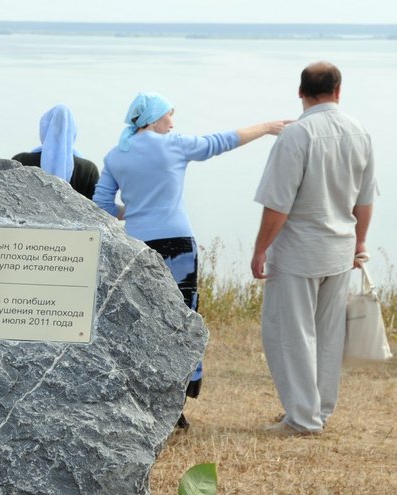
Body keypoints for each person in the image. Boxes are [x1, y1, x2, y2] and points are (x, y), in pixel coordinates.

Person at [93, 91, 287, 429]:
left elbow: (103, 206)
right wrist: (268, 126)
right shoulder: (174, 145)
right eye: (169, 115)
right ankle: (176, 406)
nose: (173, 122)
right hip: (178, 245)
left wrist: (134, 211)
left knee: (145, 324)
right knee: (181, 323)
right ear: (154, 120)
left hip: (137, 247)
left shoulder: (115, 156)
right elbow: (221, 141)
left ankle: (145, 403)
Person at [252, 61, 377, 436]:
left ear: (300, 92)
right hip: (339, 248)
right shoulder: (360, 132)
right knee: (326, 334)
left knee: (291, 333)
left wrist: (260, 250)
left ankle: (303, 418)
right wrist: (361, 242)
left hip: (298, 250)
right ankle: (318, 410)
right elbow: (366, 200)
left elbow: (278, 204)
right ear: (339, 90)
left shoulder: (297, 135)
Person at [12, 104, 100, 199]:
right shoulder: (88, 169)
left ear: (43, 130)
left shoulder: (21, 160)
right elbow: (98, 207)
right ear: (73, 131)